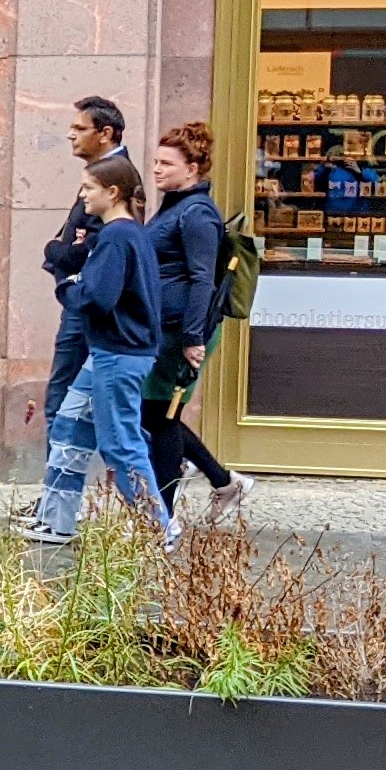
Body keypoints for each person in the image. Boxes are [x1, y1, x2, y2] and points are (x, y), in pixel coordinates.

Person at [24, 154, 172, 546]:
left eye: (89, 188)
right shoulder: (127, 234)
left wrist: (68, 285)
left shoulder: (116, 237)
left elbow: (97, 298)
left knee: (119, 443)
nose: (83, 195)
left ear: (113, 192)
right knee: (70, 426)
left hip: (118, 353)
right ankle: (56, 520)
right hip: (112, 351)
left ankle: (157, 527)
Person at [138, 123, 246, 518]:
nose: (157, 169)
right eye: (156, 162)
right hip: (166, 329)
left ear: (193, 169)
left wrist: (192, 336)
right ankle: (224, 482)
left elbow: (203, 279)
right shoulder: (175, 207)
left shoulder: (197, 214)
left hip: (180, 332)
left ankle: (162, 519)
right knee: (155, 415)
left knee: (161, 419)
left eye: (167, 163)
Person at [37, 97, 130, 425]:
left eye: (79, 128)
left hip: (88, 301)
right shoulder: (104, 172)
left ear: (105, 133)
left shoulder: (117, 176)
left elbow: (86, 250)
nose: (71, 135)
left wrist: (53, 248)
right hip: (83, 298)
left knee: (62, 400)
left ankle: (59, 458)